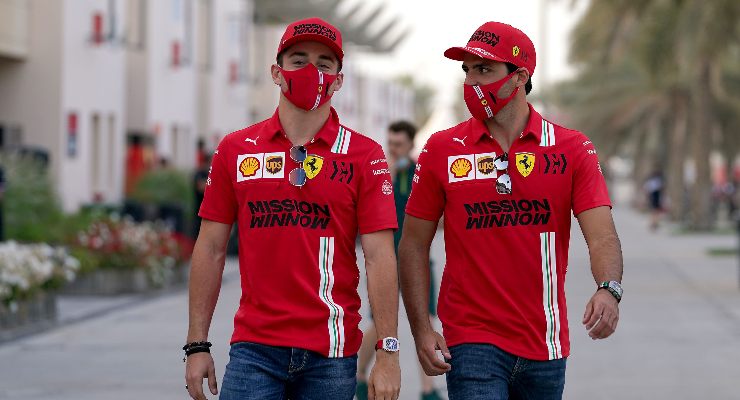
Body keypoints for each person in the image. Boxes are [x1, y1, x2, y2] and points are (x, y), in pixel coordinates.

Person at [399, 22, 624, 400]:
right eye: (466, 70)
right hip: (471, 340)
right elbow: (412, 244)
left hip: (545, 343)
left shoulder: (571, 149)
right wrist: (421, 328)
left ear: (519, 77)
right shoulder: (441, 149)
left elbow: (601, 234)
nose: (471, 81)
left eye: (484, 70)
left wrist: (608, 289)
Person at [184, 17, 401, 400]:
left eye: (324, 63)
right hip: (254, 349)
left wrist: (388, 351)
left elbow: (380, 256)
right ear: (276, 72)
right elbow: (211, 248)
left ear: (338, 79)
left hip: (331, 353)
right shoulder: (237, 149)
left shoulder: (364, 155)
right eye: (299, 60)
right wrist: (197, 344)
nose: (311, 71)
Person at [356, 121, 443, 400]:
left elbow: (437, 216)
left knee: (427, 322)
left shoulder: (420, 172)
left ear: (410, 144)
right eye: (389, 143)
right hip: (386, 263)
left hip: (417, 263)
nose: (393, 149)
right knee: (378, 324)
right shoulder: (380, 172)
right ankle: (357, 375)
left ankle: (428, 391)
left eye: (398, 145)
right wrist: (390, 171)